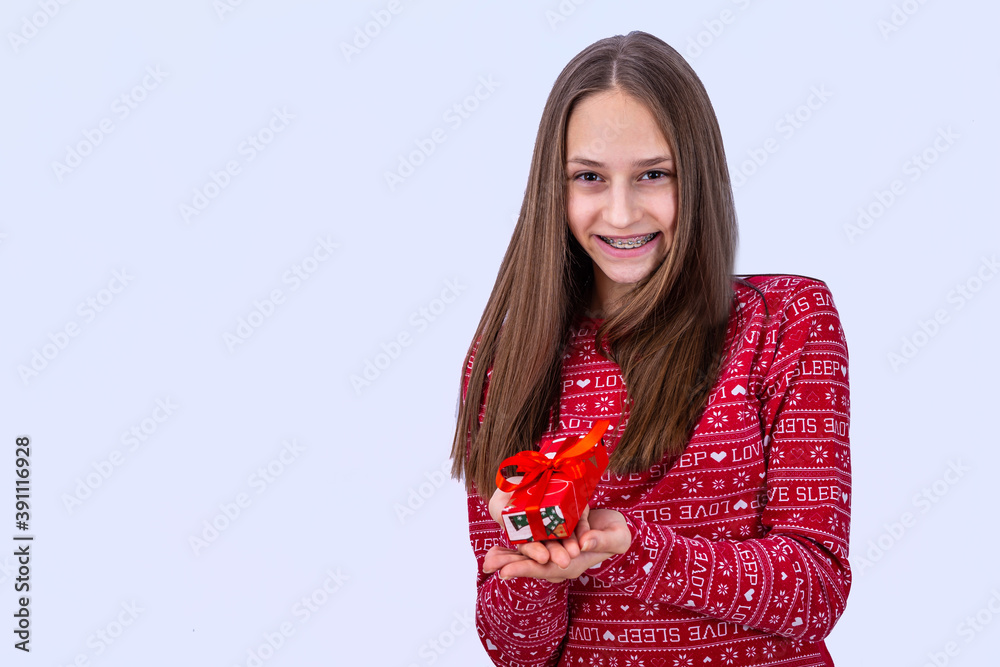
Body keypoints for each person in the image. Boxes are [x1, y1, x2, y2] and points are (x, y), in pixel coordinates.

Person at [450, 30, 851, 667]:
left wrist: (630, 549)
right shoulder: (508, 359)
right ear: (553, 191)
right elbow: (515, 651)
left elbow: (814, 592)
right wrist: (532, 577)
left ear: (698, 178)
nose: (620, 212)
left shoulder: (786, 321)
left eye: (652, 175)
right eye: (588, 177)